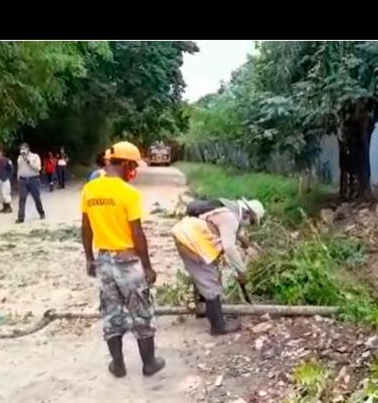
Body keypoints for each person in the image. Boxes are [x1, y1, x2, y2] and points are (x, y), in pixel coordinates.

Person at [81, 141, 162, 378]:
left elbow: (86, 228)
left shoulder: (90, 189)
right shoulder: (129, 193)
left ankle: (118, 365)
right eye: (133, 166)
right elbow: (137, 233)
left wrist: (89, 258)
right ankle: (149, 364)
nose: (133, 171)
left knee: (111, 313)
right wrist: (147, 266)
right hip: (128, 262)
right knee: (141, 312)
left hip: (104, 261)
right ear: (126, 164)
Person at [171, 197, 265, 335]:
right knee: (210, 281)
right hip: (192, 238)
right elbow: (229, 248)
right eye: (251, 221)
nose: (249, 224)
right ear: (246, 214)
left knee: (202, 276)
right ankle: (218, 326)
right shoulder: (231, 218)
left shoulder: (226, 211)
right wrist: (242, 271)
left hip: (185, 233)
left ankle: (203, 310)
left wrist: (248, 244)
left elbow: (235, 233)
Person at [16, 143, 45, 223]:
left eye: (24, 148)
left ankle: (41, 212)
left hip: (33, 179)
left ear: (28, 149)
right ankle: (20, 217)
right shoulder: (19, 157)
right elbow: (19, 169)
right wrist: (18, 178)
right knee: (22, 198)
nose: (22, 150)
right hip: (23, 180)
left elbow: (38, 168)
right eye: (21, 149)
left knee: (36, 197)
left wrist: (28, 161)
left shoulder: (35, 156)